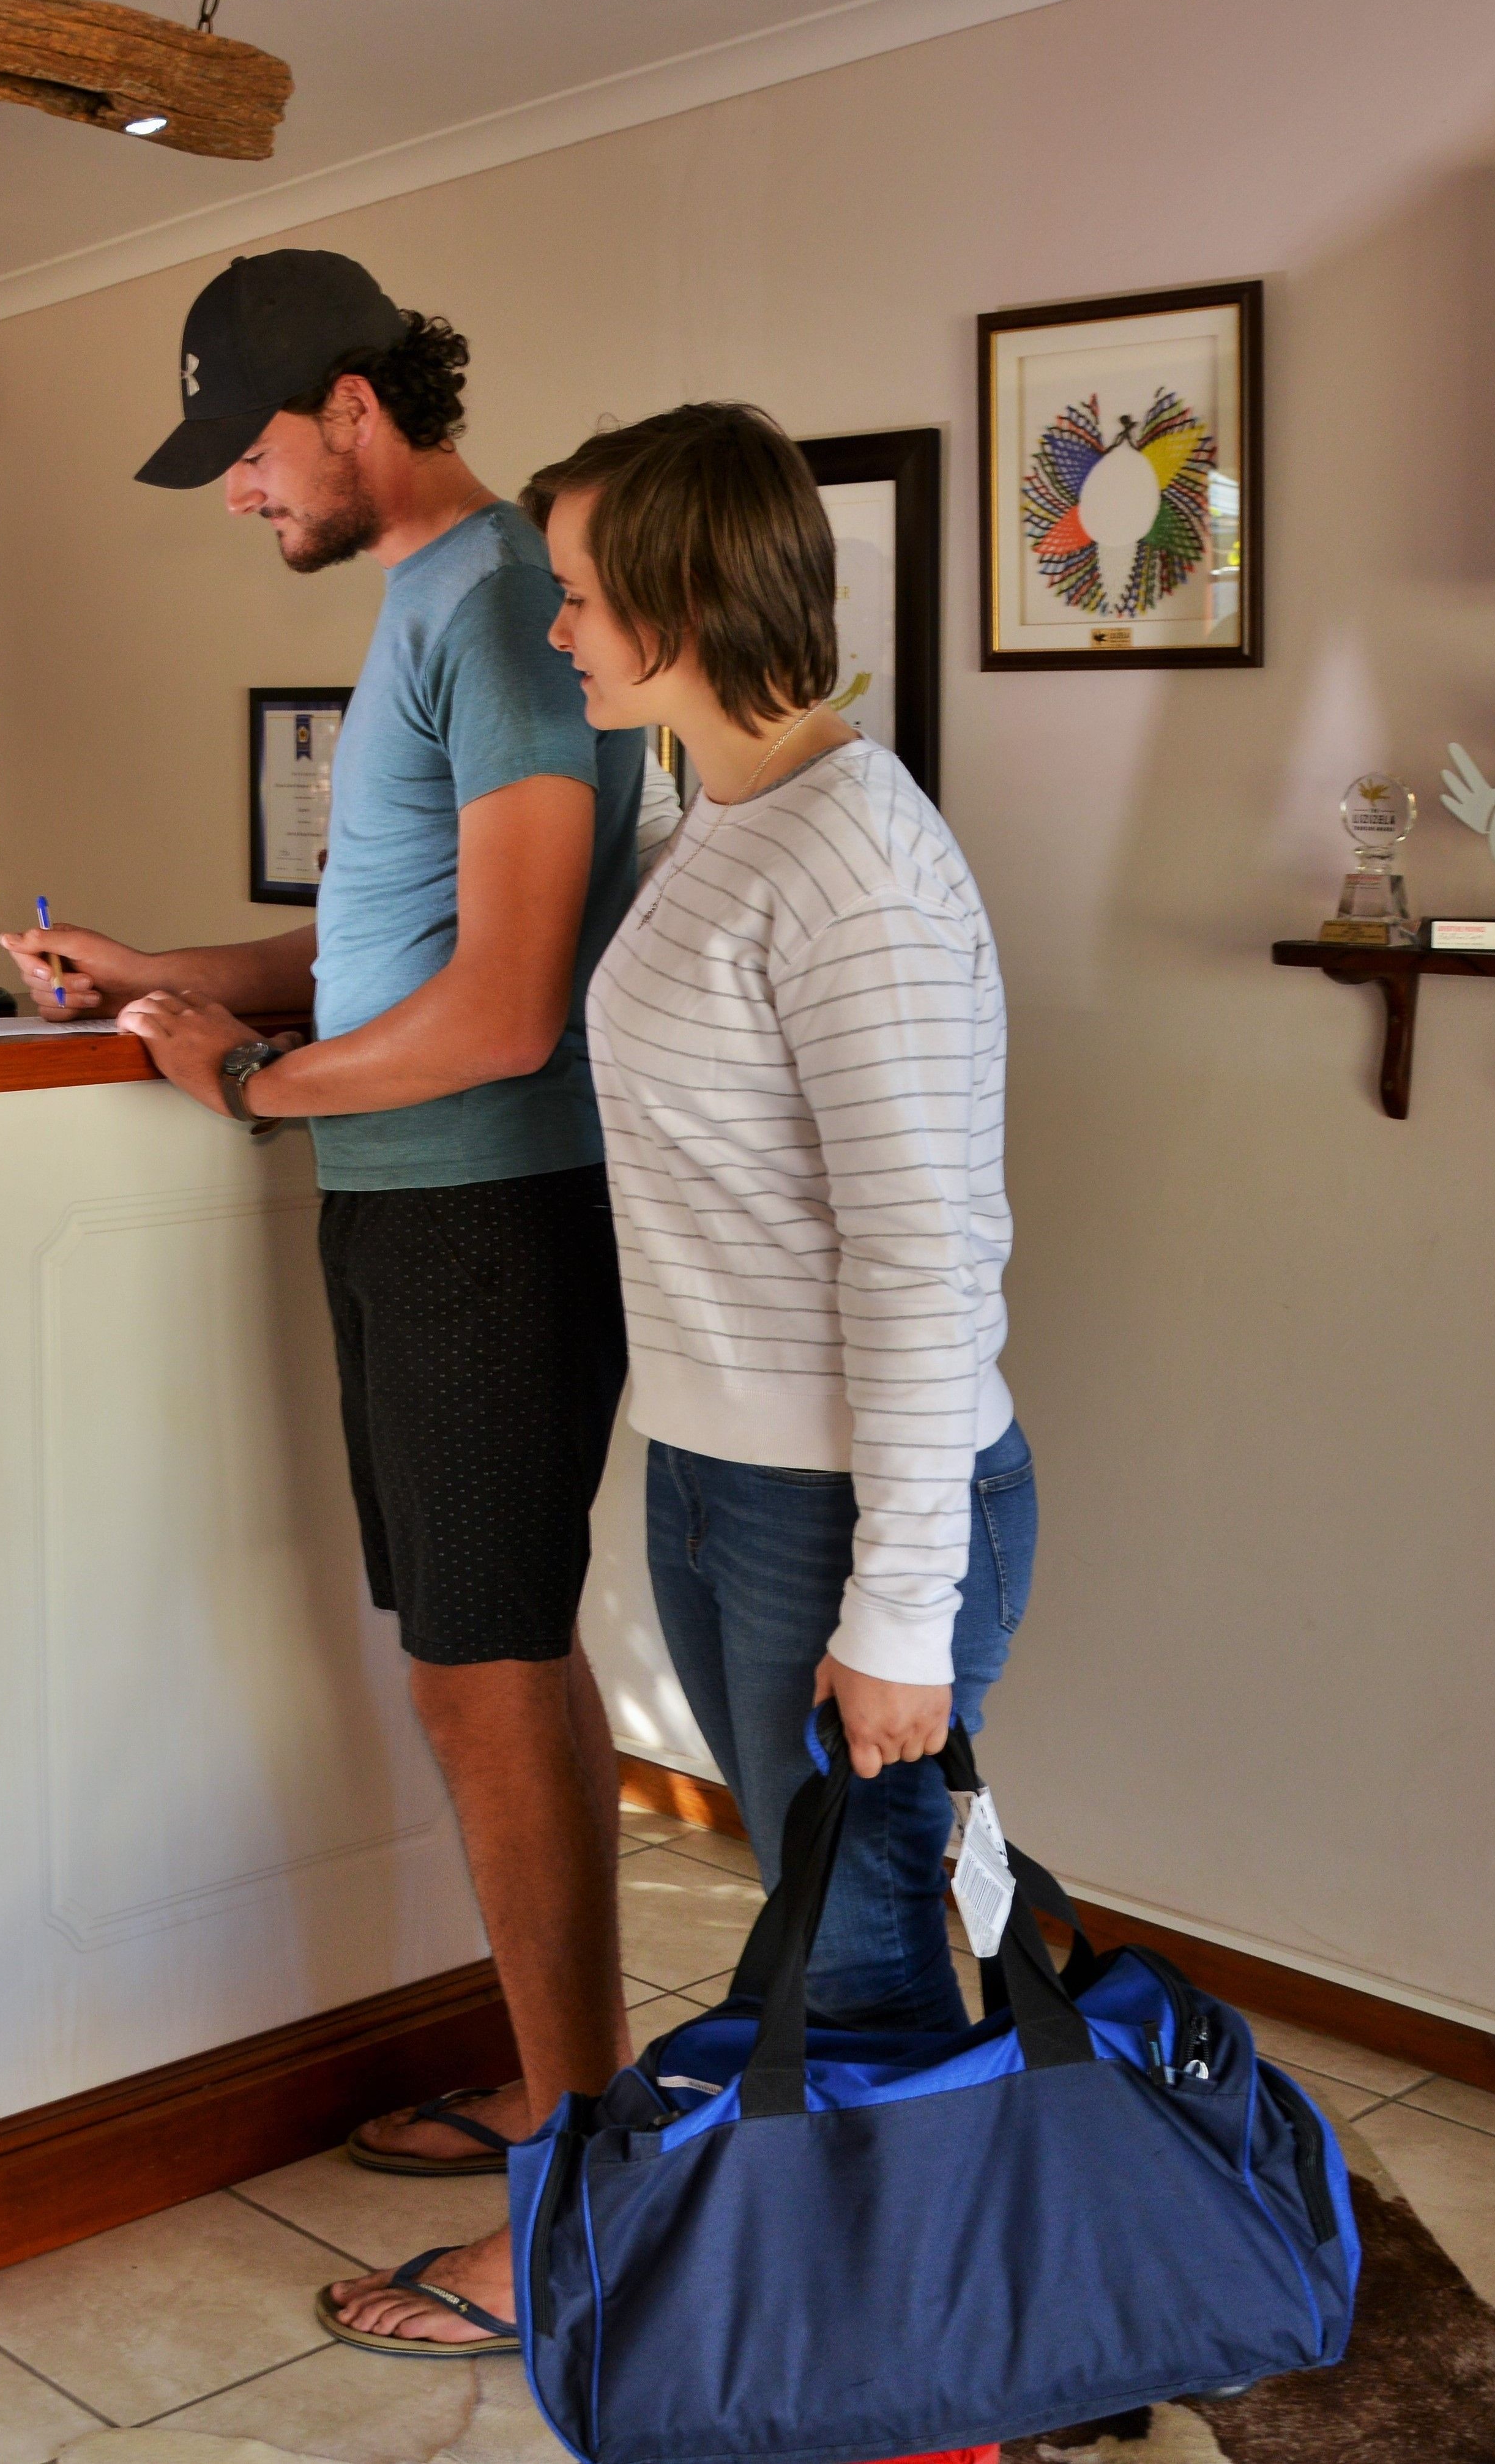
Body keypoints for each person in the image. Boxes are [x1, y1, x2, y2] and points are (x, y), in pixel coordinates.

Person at [0, 251, 643, 2364]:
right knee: (491, 1664)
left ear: (356, 404)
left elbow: (508, 1001)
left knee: (484, 1675)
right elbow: (380, 940)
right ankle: (567, 2097)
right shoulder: (430, 597)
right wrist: (157, 972)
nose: (235, 488)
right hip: (415, 1205)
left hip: (485, 1214)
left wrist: (249, 1084)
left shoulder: (502, 604)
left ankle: (583, 2197)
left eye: (250, 445)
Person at [538, 401, 1033, 2041]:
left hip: (839, 1501)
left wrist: (898, 1607)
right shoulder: (728, 815)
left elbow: (920, 1255)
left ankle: (915, 2221)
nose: (559, 631)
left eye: (577, 598)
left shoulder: (854, 863)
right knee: (820, 1927)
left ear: (677, 603)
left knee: (856, 1961)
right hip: (717, 1470)